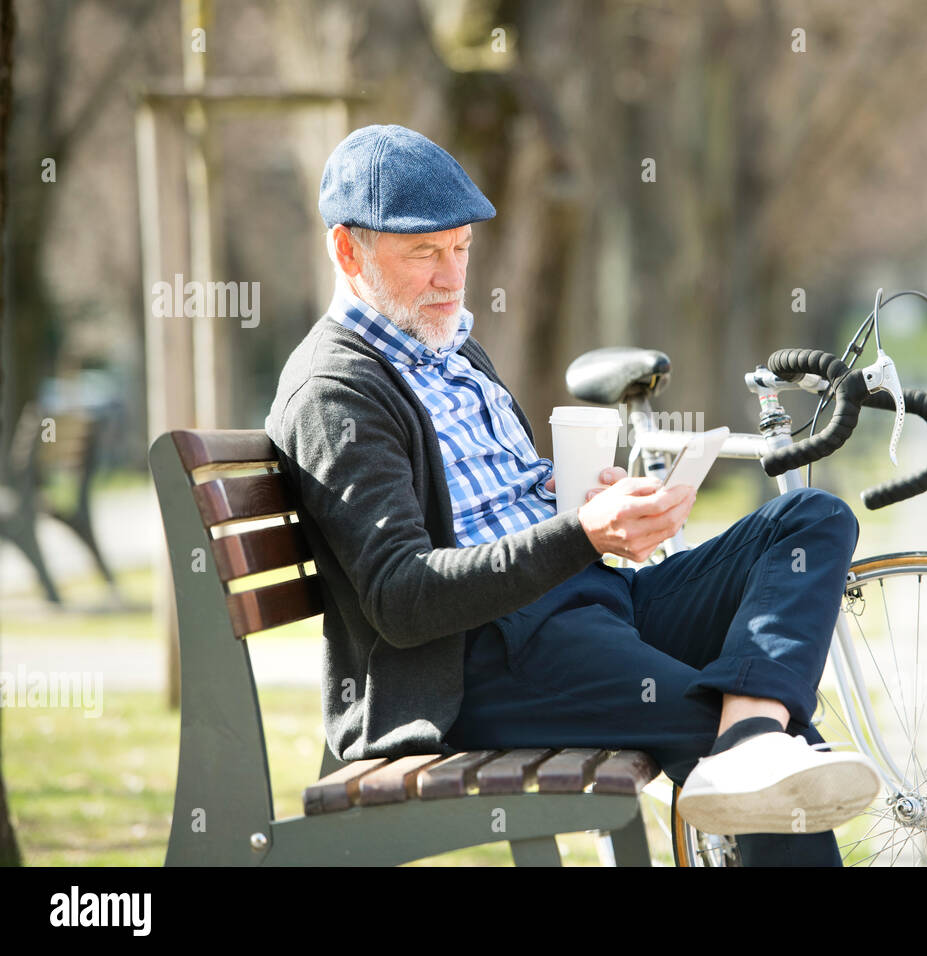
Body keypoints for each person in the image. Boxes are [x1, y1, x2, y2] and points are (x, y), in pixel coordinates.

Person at [266, 124, 880, 866]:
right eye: (423, 253)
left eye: (460, 248)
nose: (451, 276)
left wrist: (576, 498)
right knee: (774, 766)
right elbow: (402, 600)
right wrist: (583, 534)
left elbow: (496, 507)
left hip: (593, 605)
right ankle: (750, 737)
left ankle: (748, 732)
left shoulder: (452, 350)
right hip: (478, 667)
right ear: (347, 252)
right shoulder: (336, 393)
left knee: (809, 519)